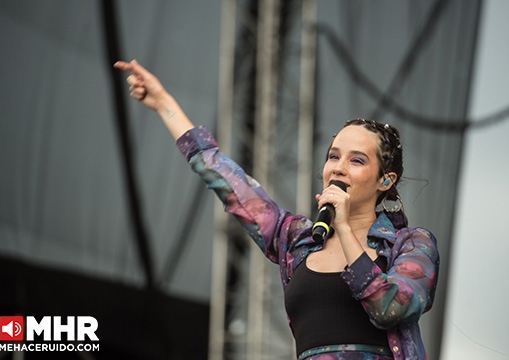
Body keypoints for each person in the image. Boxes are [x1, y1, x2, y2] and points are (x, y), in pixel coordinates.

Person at [113, 59, 440, 360]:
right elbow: (226, 179)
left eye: (357, 160)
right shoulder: (296, 239)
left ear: (385, 180)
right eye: (333, 156)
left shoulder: (410, 244)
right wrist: (163, 104)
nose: (338, 167)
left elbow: (390, 308)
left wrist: (343, 227)